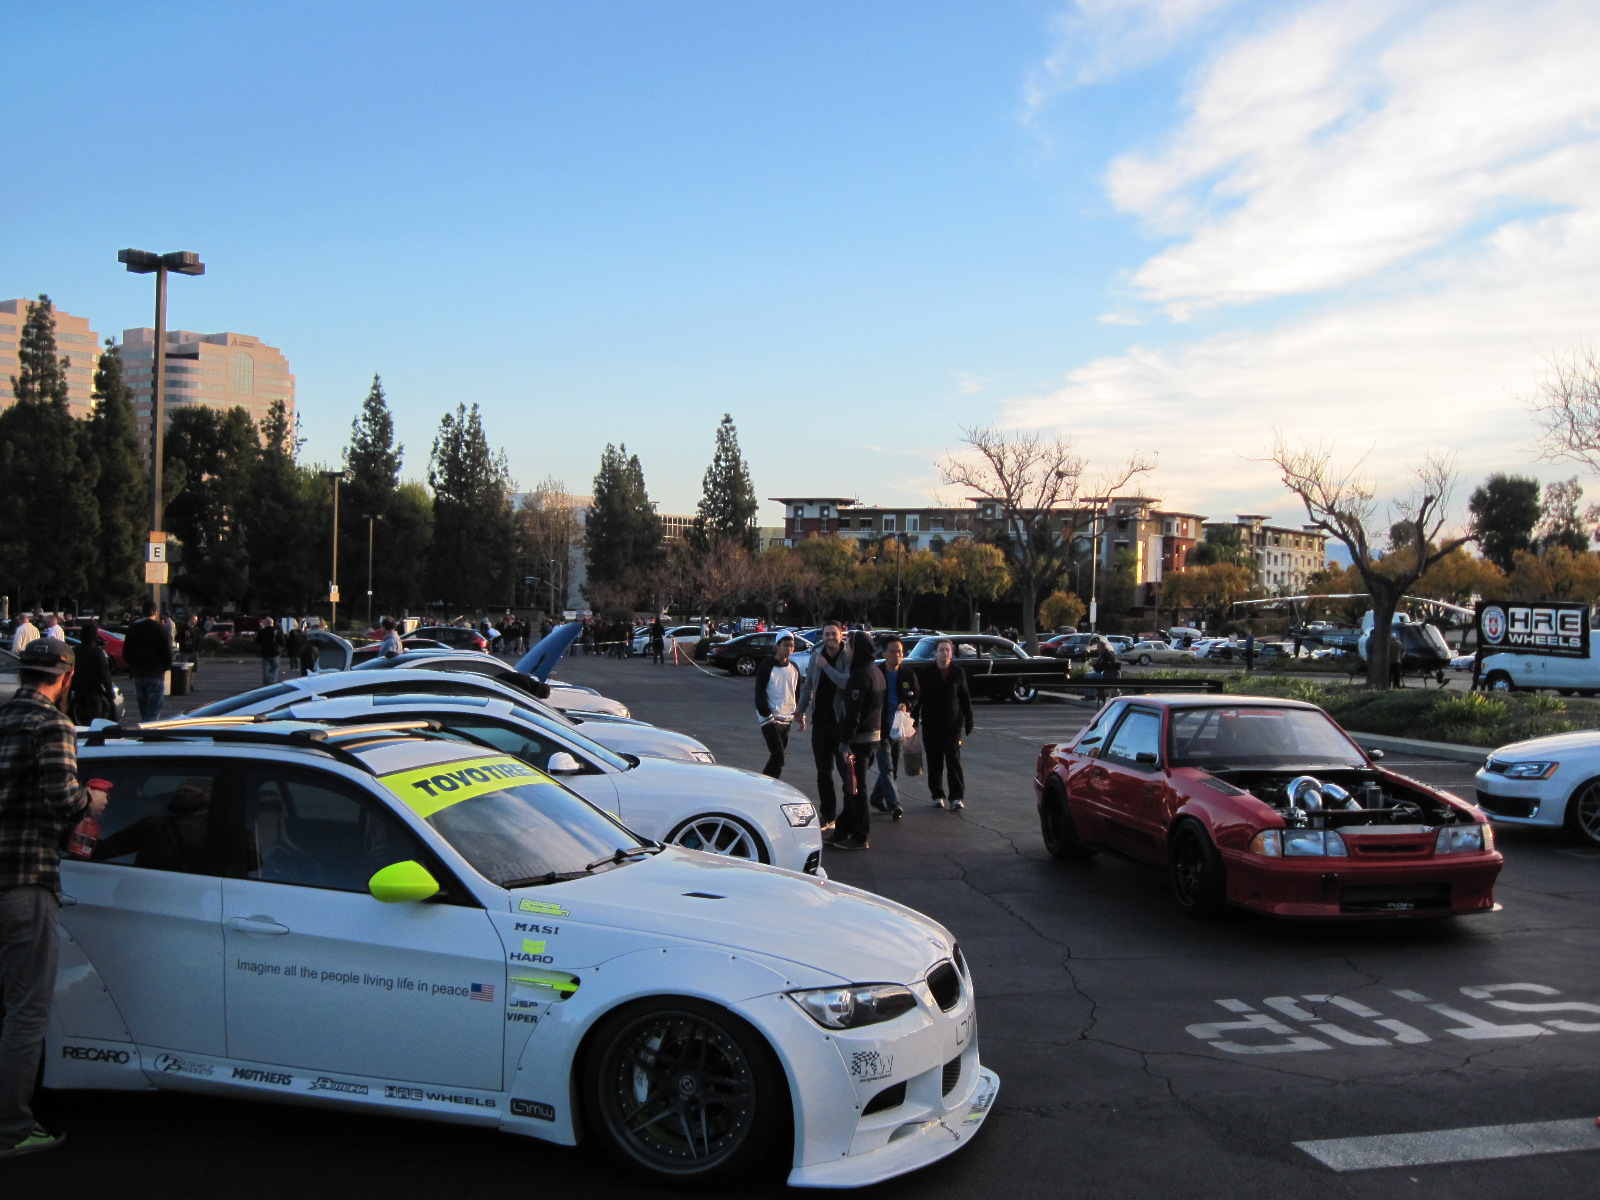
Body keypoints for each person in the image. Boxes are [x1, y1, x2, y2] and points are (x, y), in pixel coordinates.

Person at [0, 639, 110, 1158]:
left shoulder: (3, 718)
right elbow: (63, 798)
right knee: (25, 1011)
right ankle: (11, 1129)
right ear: (66, 678)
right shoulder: (53, 724)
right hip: (24, 881)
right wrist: (94, 799)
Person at [796, 619, 854, 831]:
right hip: (820, 722)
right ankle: (828, 815)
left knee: (845, 771)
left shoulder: (847, 657)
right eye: (827, 634)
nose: (830, 638)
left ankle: (850, 815)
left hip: (841, 723)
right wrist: (800, 710)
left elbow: (846, 683)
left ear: (841, 635)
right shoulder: (815, 657)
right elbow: (808, 687)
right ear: (822, 636)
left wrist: (826, 666)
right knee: (823, 772)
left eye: (833, 634)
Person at [830, 631, 886, 851]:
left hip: (858, 742)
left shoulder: (860, 676)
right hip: (873, 737)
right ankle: (842, 830)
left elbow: (853, 714)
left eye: (848, 645)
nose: (845, 649)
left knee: (855, 789)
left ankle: (860, 836)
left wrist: (845, 743)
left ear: (857, 648)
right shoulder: (876, 671)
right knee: (850, 787)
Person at [917, 637, 972, 811]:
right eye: (941, 650)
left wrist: (969, 720)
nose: (945, 653)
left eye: (948, 650)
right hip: (931, 726)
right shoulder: (926, 673)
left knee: (953, 761)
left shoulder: (958, 673)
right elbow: (919, 699)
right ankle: (937, 795)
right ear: (935, 653)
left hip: (953, 726)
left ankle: (956, 797)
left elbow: (965, 698)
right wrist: (912, 721)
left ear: (952, 652)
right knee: (934, 761)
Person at [869, 636, 920, 821]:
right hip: (880, 728)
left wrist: (907, 705)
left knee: (893, 769)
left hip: (898, 728)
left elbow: (915, 696)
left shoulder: (908, 674)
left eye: (900, 652)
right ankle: (894, 805)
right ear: (884, 653)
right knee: (887, 767)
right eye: (892, 651)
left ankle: (876, 798)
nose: (897, 655)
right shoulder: (876, 673)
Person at [753, 631, 802, 778]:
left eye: (792, 646)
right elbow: (760, 693)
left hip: (787, 718)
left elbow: (796, 693)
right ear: (777, 646)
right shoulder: (767, 665)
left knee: (781, 758)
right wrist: (767, 715)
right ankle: (762, 785)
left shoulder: (794, 668)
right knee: (778, 755)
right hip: (770, 719)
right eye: (785, 645)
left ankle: (774, 784)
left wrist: (799, 713)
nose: (789, 649)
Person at [123, 600, 173, 722]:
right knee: (154, 709)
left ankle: (145, 727)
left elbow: (126, 653)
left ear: (143, 612)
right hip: (156, 673)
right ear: (155, 612)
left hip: (139, 673)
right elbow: (167, 652)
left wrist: (134, 665)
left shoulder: (133, 628)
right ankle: (149, 730)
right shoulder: (160, 629)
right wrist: (165, 667)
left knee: (144, 708)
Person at [67, 621, 116, 726]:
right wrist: (110, 692)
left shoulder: (74, 651)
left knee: (80, 718)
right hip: (93, 690)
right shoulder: (97, 652)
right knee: (94, 720)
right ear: (94, 636)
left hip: (78, 690)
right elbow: (105, 674)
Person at [256, 616, 282, 685]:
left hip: (265, 652)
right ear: (272, 623)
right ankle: (274, 680)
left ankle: (266, 683)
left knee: (265, 669)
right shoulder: (276, 631)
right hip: (275, 652)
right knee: (275, 667)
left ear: (265, 623)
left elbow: (257, 642)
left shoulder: (262, 631)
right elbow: (282, 641)